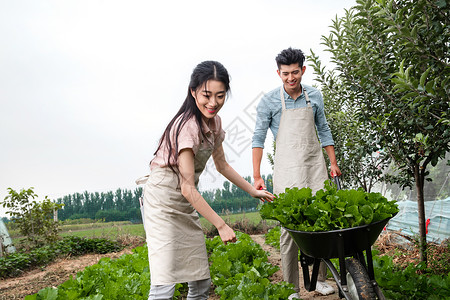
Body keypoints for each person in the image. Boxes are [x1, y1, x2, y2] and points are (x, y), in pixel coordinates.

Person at [138, 60, 274, 300]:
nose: (213, 103)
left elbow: (222, 165)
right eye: (206, 95)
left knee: (200, 280)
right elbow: (187, 187)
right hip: (163, 200)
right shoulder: (188, 126)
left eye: (220, 96)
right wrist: (221, 225)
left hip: (184, 199)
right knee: (165, 281)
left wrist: (253, 191)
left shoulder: (214, 123)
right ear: (193, 92)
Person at [252, 48, 341, 299]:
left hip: (314, 167)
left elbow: (324, 130)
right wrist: (257, 175)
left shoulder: (314, 96)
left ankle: (320, 280)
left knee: (322, 223)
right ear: (278, 73)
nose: (290, 78)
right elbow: (258, 139)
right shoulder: (269, 101)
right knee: (289, 229)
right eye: (285, 74)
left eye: (295, 73)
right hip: (287, 171)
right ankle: (291, 288)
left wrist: (332, 162)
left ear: (303, 70)